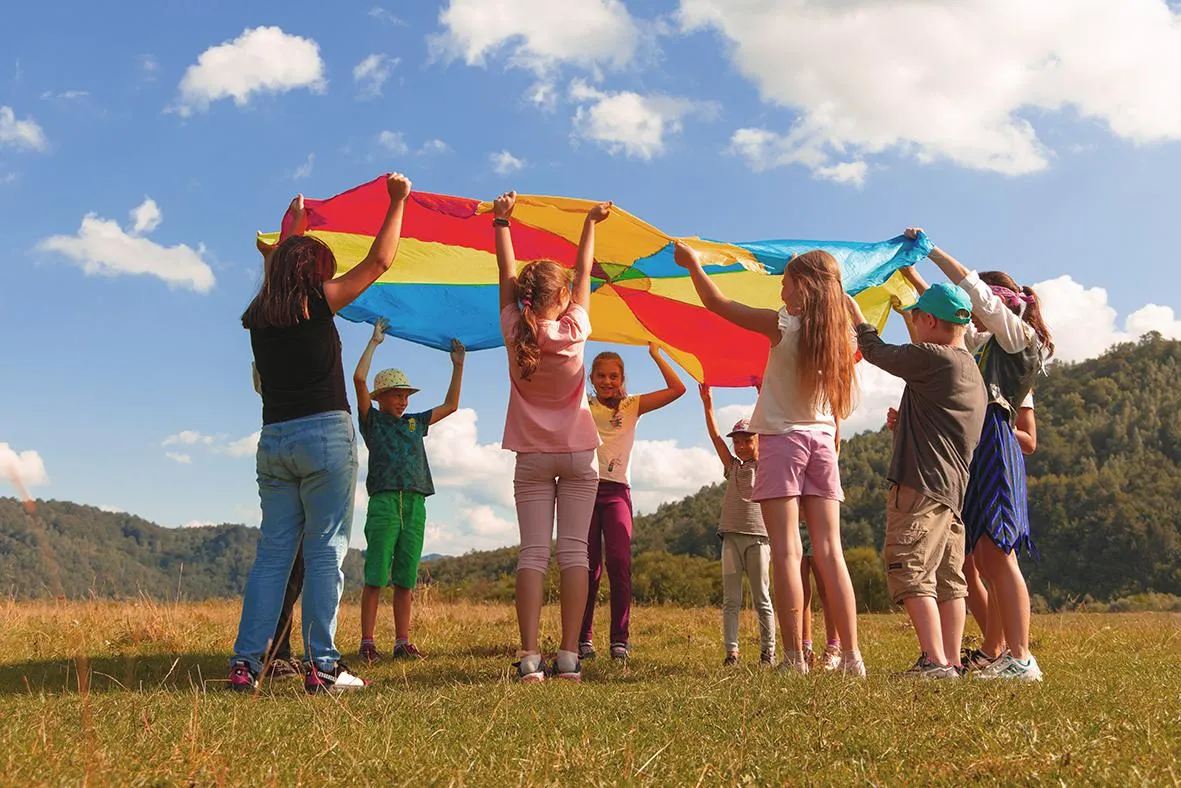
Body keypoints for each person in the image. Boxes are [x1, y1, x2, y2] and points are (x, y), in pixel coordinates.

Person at [229, 173, 413, 694]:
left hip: (275, 442)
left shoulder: (260, 314)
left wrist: (295, 224)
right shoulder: (317, 302)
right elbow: (380, 261)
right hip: (324, 438)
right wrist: (397, 201)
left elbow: (278, 268)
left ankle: (246, 665)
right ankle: (324, 668)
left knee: (273, 554)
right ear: (314, 273)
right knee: (326, 551)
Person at [675, 242, 865, 676]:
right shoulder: (845, 336)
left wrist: (693, 265)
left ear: (805, 288)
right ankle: (853, 658)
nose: (781, 292)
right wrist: (843, 299)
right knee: (832, 552)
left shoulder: (783, 325)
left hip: (781, 441)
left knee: (785, 551)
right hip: (822, 443)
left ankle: (795, 658)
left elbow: (716, 302)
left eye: (786, 283)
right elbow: (852, 313)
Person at [917, 229, 1054, 681]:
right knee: (984, 552)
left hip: (995, 440)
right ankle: (1007, 655)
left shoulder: (1016, 337)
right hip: (979, 444)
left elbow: (971, 291)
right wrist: (911, 276)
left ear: (1000, 304)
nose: (974, 313)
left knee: (998, 555)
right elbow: (952, 317)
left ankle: (1021, 657)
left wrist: (932, 251)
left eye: (982, 305)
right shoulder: (988, 344)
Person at [494, 190, 609, 682]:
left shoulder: (513, 329)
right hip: (580, 454)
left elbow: (505, 275)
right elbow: (585, 274)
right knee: (575, 553)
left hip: (531, 458)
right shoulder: (576, 328)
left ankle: (527, 657)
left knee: (533, 554)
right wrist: (590, 223)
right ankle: (567, 656)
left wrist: (503, 222)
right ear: (562, 300)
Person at [849, 275, 986, 678]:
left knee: (910, 567)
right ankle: (952, 660)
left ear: (928, 320)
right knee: (948, 579)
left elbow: (876, 351)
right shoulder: (968, 369)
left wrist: (856, 317)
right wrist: (905, 423)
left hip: (921, 484)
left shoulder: (934, 357)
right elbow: (944, 425)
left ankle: (933, 659)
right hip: (951, 491)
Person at [354, 317, 465, 662]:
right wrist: (374, 343)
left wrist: (457, 365)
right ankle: (368, 642)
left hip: (416, 502)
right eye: (396, 396)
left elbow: (451, 406)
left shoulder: (415, 422)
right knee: (375, 575)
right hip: (384, 502)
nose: (402, 401)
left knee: (405, 578)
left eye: (405, 396)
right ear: (381, 398)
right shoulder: (371, 422)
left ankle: (402, 641)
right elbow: (358, 379)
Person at [579, 345, 686, 662]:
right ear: (592, 378)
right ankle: (583, 639)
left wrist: (656, 354)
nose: (607, 381)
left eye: (614, 376)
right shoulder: (582, 404)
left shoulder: (632, 405)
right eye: (601, 375)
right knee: (587, 569)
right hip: (584, 490)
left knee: (620, 564)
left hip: (617, 494)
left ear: (622, 378)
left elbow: (678, 389)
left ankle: (619, 641)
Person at [699, 386, 776, 667]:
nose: (741, 446)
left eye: (747, 440)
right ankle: (731, 653)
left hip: (758, 539)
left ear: (758, 441)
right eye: (738, 442)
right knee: (731, 599)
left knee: (762, 597)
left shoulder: (766, 464)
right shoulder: (732, 467)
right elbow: (716, 438)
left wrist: (763, 396)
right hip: (730, 539)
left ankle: (768, 652)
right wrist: (708, 405)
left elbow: (771, 426)